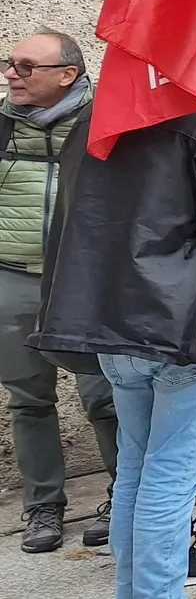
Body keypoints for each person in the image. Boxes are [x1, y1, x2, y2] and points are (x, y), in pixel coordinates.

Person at [34, 25, 196, 592]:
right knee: (167, 473)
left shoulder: (98, 115)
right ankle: (152, 590)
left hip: (116, 319)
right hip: (183, 318)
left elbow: (67, 222)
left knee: (139, 467)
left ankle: (133, 588)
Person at [1, 29, 116, 553]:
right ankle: (43, 506)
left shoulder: (107, 122)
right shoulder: (2, 125)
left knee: (107, 397)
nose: (11, 75)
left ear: (67, 75)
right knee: (28, 401)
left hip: (85, 284)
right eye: (9, 64)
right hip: (14, 277)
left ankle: (123, 494)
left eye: (26, 67)